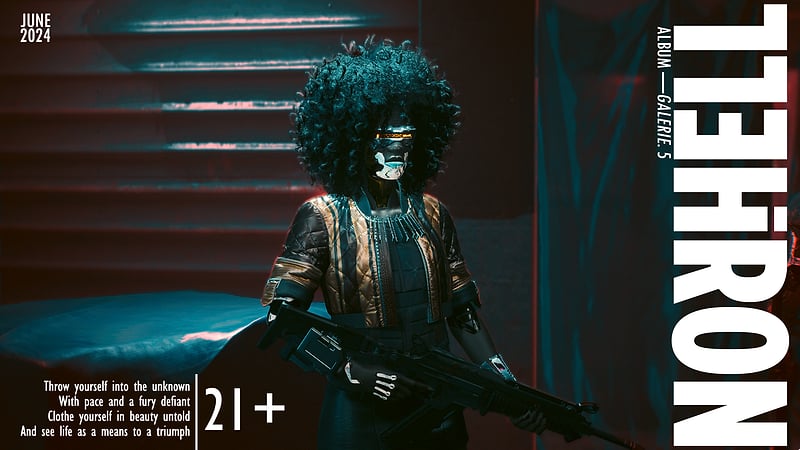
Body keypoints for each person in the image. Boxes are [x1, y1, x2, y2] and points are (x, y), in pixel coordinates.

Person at [261, 37, 544, 450]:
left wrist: (504, 383)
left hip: (437, 408)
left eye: (406, 134)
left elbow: (462, 313)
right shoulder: (322, 217)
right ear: (354, 136)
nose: (398, 145)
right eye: (384, 134)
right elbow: (281, 318)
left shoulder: (433, 214)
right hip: (361, 415)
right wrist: (352, 371)